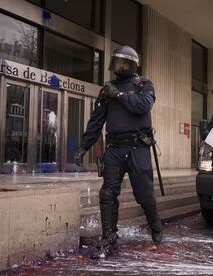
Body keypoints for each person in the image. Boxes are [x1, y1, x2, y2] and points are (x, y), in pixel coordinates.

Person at [74, 45, 162, 259]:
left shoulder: (143, 84)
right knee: (107, 192)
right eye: (118, 62)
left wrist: (120, 95)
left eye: (125, 62)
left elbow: (142, 106)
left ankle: (156, 227)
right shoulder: (107, 90)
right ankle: (109, 239)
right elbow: (96, 121)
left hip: (137, 148)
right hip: (114, 149)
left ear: (132, 65)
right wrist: (84, 146)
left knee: (144, 195)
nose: (120, 66)